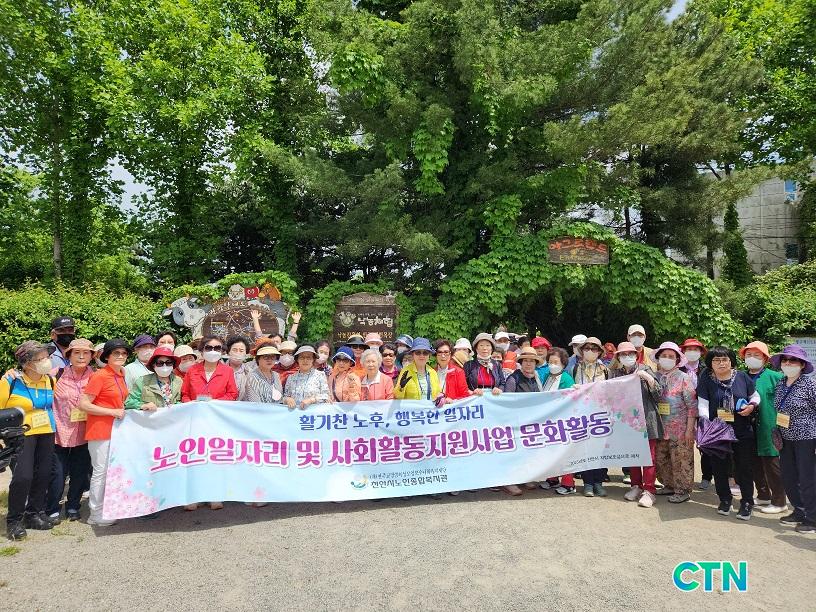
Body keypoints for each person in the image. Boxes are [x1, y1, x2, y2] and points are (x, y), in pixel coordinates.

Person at [2, 341, 58, 540]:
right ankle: (14, 521)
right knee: (23, 476)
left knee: (43, 474)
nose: (46, 361)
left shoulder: (50, 380)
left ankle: (34, 514)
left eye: (46, 357)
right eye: (39, 358)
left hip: (47, 431)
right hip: (21, 434)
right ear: (26, 363)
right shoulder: (10, 381)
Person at [697, 346, 759, 520]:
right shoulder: (706, 379)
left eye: (725, 359)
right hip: (717, 430)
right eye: (716, 360)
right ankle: (725, 499)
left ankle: (747, 502)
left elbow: (755, 396)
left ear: (731, 361)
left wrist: (752, 406)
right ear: (710, 363)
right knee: (719, 466)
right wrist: (705, 422)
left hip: (741, 429)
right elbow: (703, 403)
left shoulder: (742, 377)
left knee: (744, 466)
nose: (721, 363)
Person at [79, 339, 131, 527]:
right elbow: (83, 404)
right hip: (100, 430)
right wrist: (111, 412)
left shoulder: (121, 374)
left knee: (112, 471)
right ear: (107, 356)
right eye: (116, 353)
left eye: (124, 353)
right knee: (100, 472)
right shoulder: (100, 376)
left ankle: (109, 508)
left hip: (116, 431)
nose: (120, 356)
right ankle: (95, 513)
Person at [610, 342, 663, 508]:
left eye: (630, 354)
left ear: (636, 355)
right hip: (627, 421)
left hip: (647, 419)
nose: (627, 357)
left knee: (649, 456)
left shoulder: (645, 369)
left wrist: (648, 379)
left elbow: (659, 394)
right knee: (633, 455)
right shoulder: (615, 374)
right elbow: (606, 393)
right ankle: (636, 486)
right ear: (618, 357)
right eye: (623, 354)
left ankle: (649, 490)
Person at [47, 339, 95, 522]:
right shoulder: (56, 374)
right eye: (76, 352)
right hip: (59, 432)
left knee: (80, 473)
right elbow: (31, 379)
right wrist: (12, 374)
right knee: (57, 474)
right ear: (69, 355)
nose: (81, 356)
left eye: (86, 352)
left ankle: (73, 506)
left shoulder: (96, 377)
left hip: (85, 433)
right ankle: (52, 508)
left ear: (91, 356)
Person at [770, 345, 816, 533]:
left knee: (807, 478)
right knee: (789, 476)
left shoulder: (810, 384)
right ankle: (799, 511)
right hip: (785, 437)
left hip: (807, 437)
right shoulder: (781, 383)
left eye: (793, 360)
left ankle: (812, 519)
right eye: (785, 360)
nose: (788, 363)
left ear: (802, 365)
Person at [741, 341, 786, 514]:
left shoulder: (775, 377)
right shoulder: (741, 376)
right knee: (753, 462)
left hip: (769, 425)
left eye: (756, 355)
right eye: (748, 355)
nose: (752, 358)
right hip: (747, 426)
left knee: (771, 462)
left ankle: (779, 501)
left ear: (765, 359)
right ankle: (763, 495)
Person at [651, 341, 697, 505]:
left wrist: (689, 430)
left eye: (671, 356)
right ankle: (669, 485)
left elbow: (692, 406)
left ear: (677, 360)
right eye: (664, 355)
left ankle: (683, 490)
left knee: (681, 461)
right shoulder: (654, 377)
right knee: (661, 458)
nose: (667, 358)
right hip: (660, 427)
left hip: (681, 428)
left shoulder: (684, 378)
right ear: (658, 358)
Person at [501, 346, 546, 495]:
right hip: (515, 422)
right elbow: (507, 400)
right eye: (525, 360)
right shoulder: (513, 378)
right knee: (513, 452)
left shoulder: (537, 378)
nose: (528, 363)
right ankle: (509, 481)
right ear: (520, 362)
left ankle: (525, 477)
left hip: (531, 421)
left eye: (531, 361)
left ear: (535, 363)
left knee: (527, 452)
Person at [540, 348, 578, 495]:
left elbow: (570, 400)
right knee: (551, 450)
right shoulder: (547, 376)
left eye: (556, 362)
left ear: (563, 363)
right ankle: (553, 478)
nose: (552, 365)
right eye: (550, 362)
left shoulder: (566, 378)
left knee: (564, 452)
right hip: (549, 420)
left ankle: (569, 483)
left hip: (563, 420)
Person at [680, 338, 712, 490]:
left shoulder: (707, 370)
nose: (692, 352)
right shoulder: (678, 368)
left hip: (703, 411)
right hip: (682, 412)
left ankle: (706, 476)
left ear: (701, 352)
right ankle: (682, 478)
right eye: (688, 349)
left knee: (705, 445)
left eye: (695, 349)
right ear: (683, 352)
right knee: (683, 444)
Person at [180, 337, 239, 403]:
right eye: (208, 348)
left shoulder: (228, 371)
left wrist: (215, 402)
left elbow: (232, 394)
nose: (213, 351)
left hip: (217, 408)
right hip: (195, 408)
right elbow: (185, 394)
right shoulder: (192, 370)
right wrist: (191, 403)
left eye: (217, 348)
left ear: (222, 352)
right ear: (201, 351)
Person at [125, 347, 183, 411]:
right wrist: (143, 405)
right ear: (153, 365)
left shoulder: (179, 381)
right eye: (160, 363)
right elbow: (129, 402)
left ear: (173, 364)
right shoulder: (142, 381)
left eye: (168, 363)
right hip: (151, 417)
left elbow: (183, 401)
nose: (164, 366)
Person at [284, 346, 330, 410]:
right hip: (294, 414)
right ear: (297, 360)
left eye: (309, 358)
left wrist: (312, 400)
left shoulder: (320, 375)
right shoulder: (291, 378)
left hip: (313, 414)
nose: (305, 360)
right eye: (302, 357)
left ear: (313, 360)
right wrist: (287, 399)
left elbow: (326, 396)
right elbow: (285, 396)